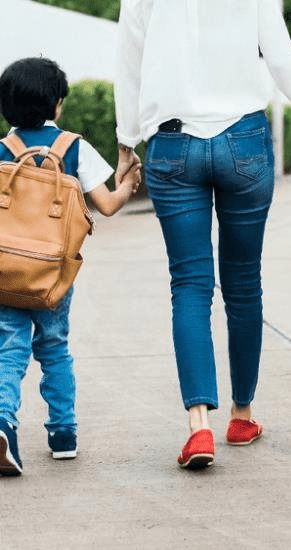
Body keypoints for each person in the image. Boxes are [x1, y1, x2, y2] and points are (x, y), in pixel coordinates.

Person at [114, 0, 291, 469]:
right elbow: (277, 48)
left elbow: (129, 60)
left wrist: (125, 142)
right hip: (244, 140)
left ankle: (198, 429)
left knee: (190, 285)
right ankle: (242, 414)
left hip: (171, 144)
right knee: (242, 283)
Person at [0, 57, 140, 476]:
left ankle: (4, 421)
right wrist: (128, 180)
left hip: (5, 273)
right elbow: (109, 206)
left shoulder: (2, 151)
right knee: (55, 349)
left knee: (8, 351)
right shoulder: (74, 147)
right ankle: (63, 435)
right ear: (57, 104)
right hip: (54, 276)